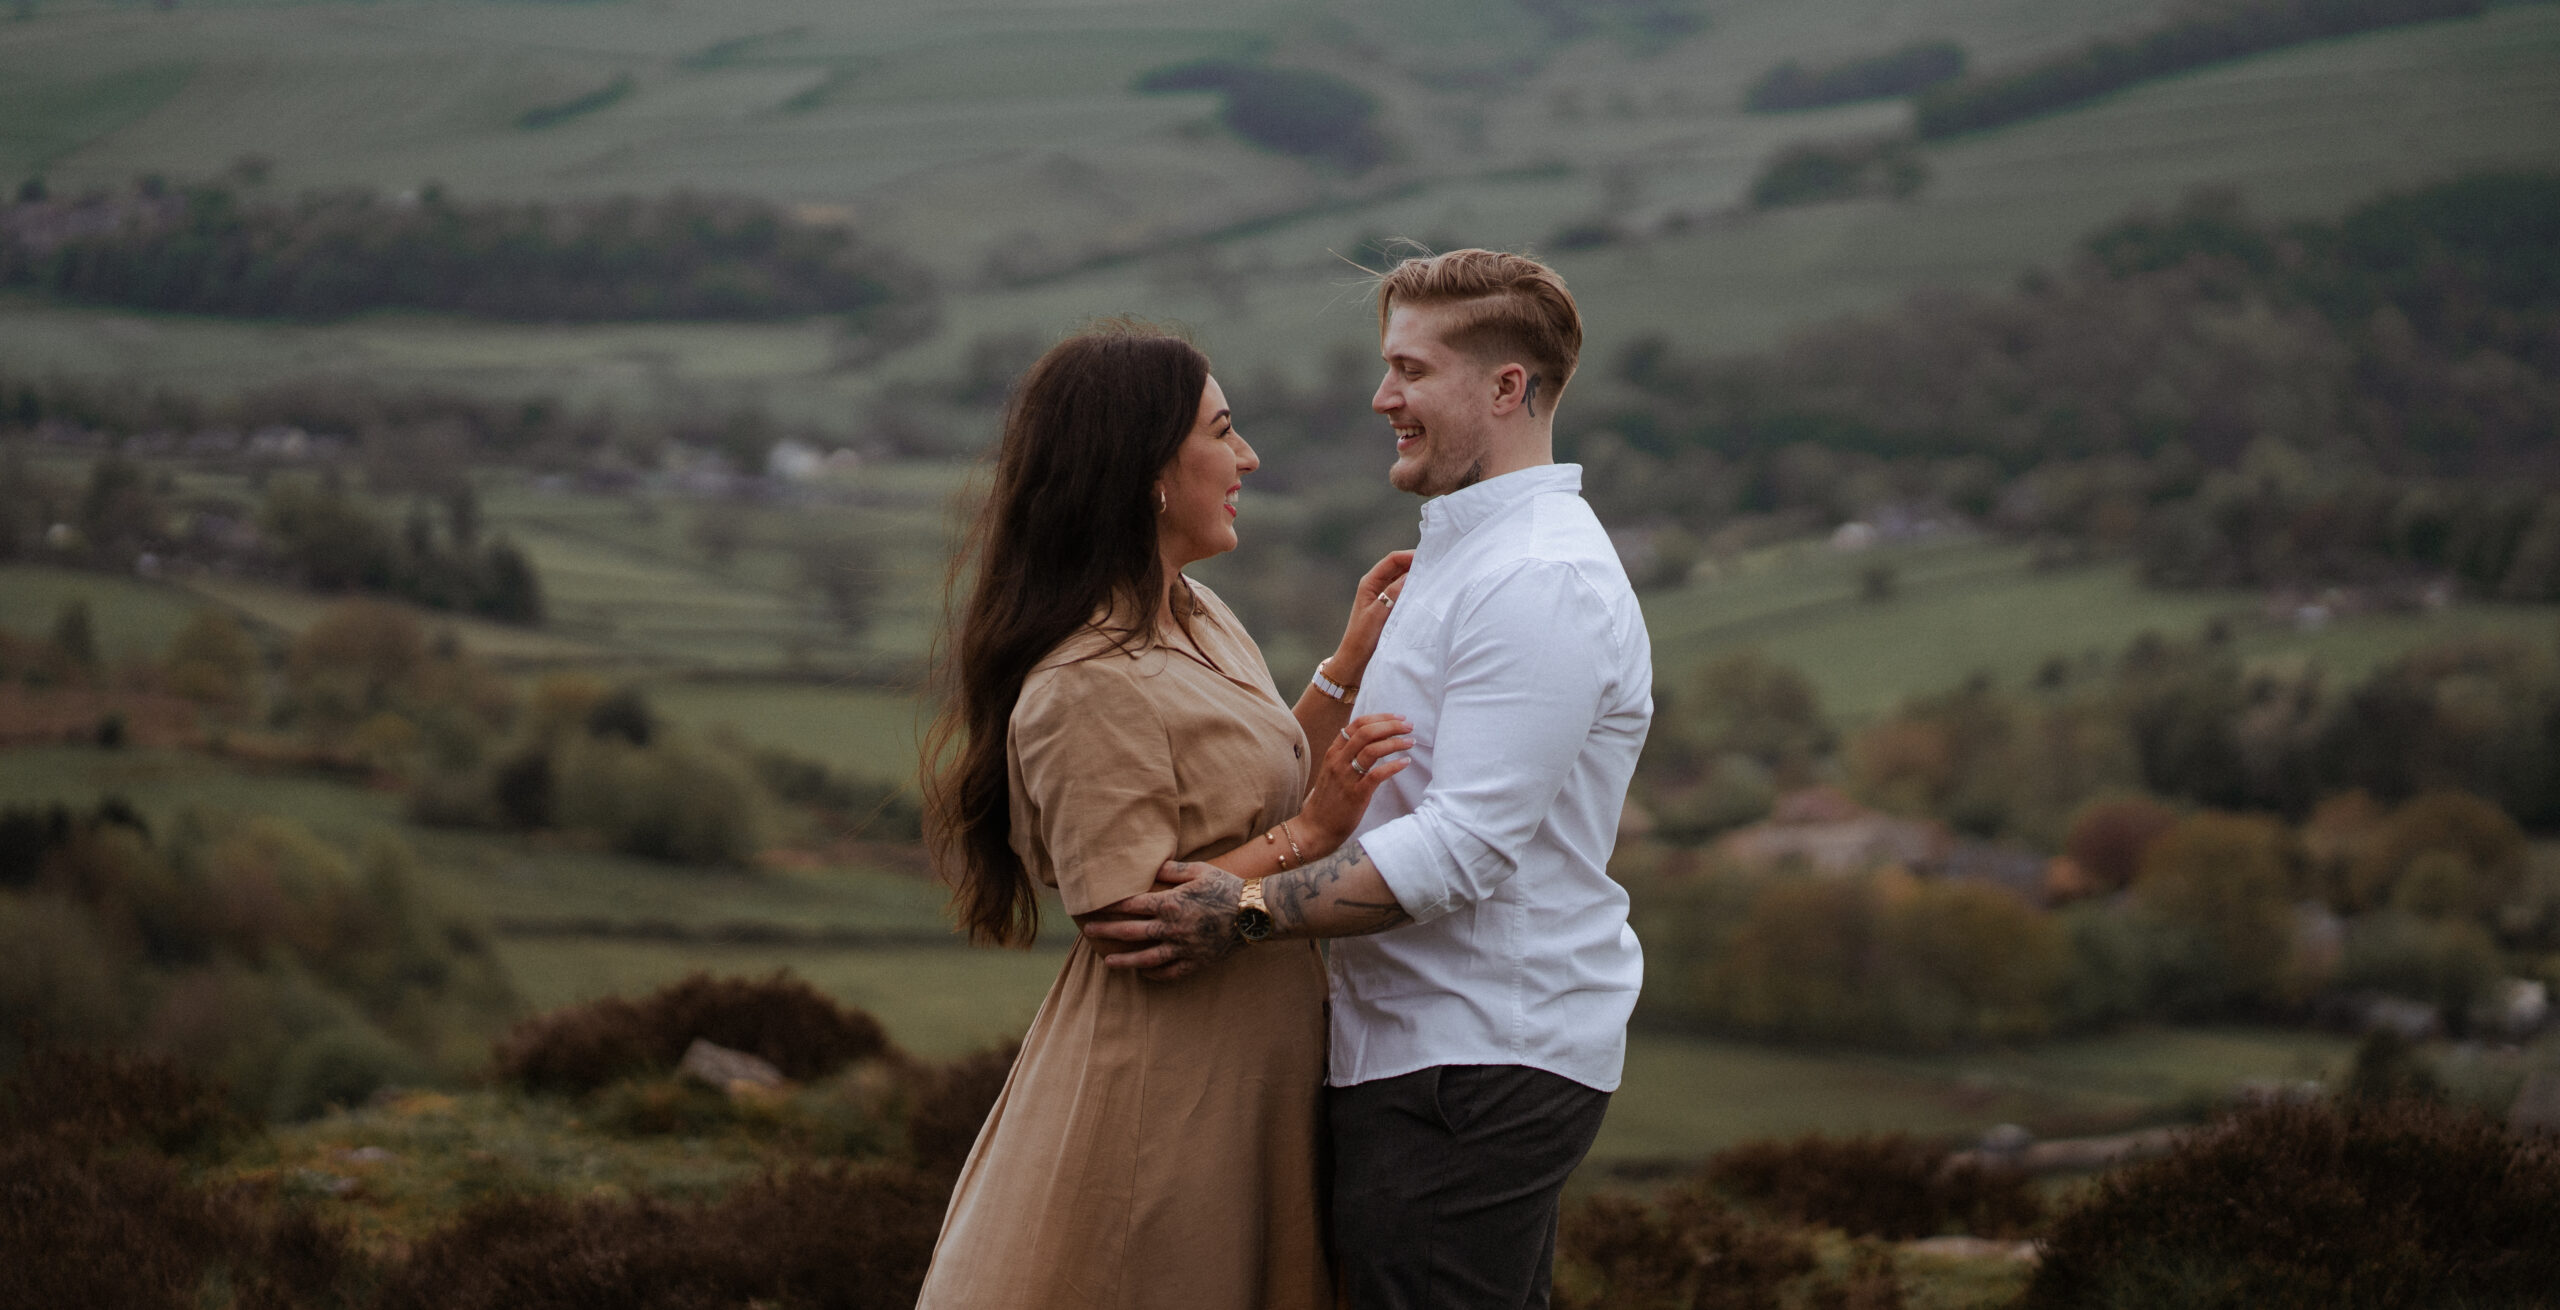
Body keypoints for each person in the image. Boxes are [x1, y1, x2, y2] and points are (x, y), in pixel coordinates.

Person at [1085, 250, 1654, 1310]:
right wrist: (1338, 675)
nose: (1381, 397)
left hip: (1474, 1059)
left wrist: (1240, 911)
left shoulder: (1539, 580)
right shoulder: (1462, 559)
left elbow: (1460, 851)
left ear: (1505, 387)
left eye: (1410, 369)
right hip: (1422, 1051)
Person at [914, 322, 1418, 1310]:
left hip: (1258, 1056)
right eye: (1222, 432)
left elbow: (1258, 773)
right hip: (1167, 1082)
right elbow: (1129, 919)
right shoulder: (1084, 682)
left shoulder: (1196, 611)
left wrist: (1339, 672)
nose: (1247, 457)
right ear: (1146, 468)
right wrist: (1312, 836)